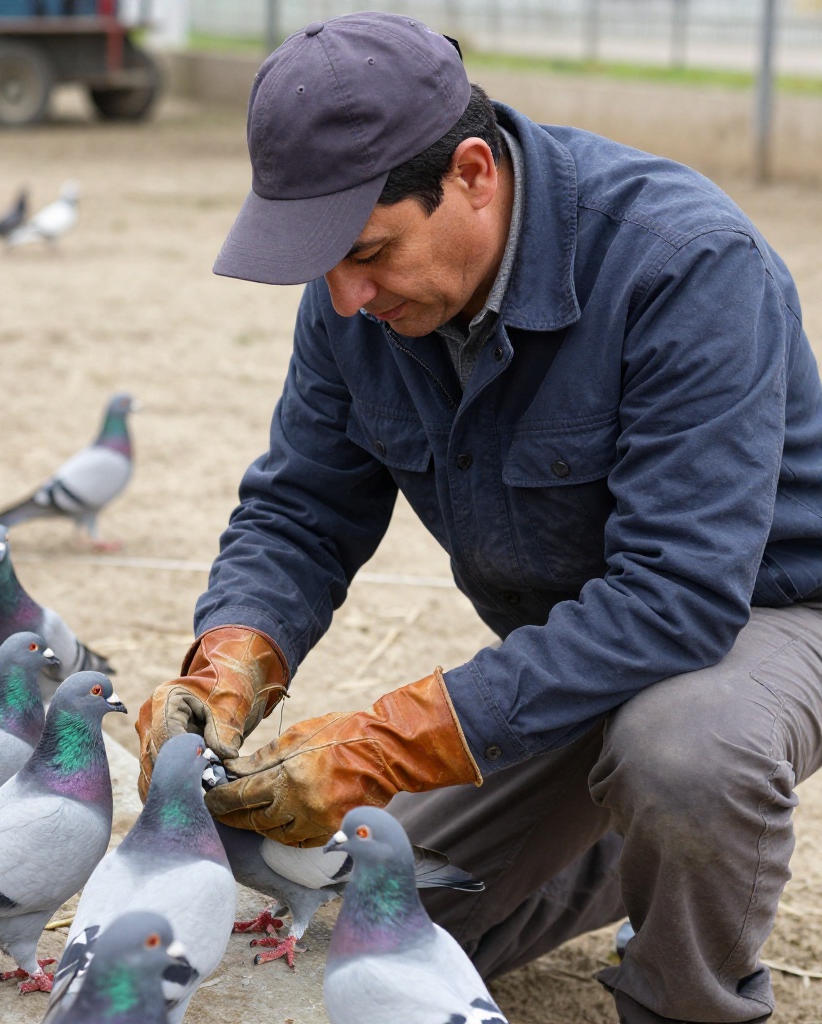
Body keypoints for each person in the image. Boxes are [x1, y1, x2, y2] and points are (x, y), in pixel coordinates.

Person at [135, 12, 822, 1023]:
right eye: (325, 259)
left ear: (471, 173)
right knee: (382, 919)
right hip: (579, 646)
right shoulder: (354, 293)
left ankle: (686, 1000)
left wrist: (383, 745)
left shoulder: (684, 263)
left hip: (763, 613)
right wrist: (231, 657)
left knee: (682, 750)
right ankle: (612, 842)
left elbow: (677, 598)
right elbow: (299, 508)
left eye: (368, 251)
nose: (343, 294)